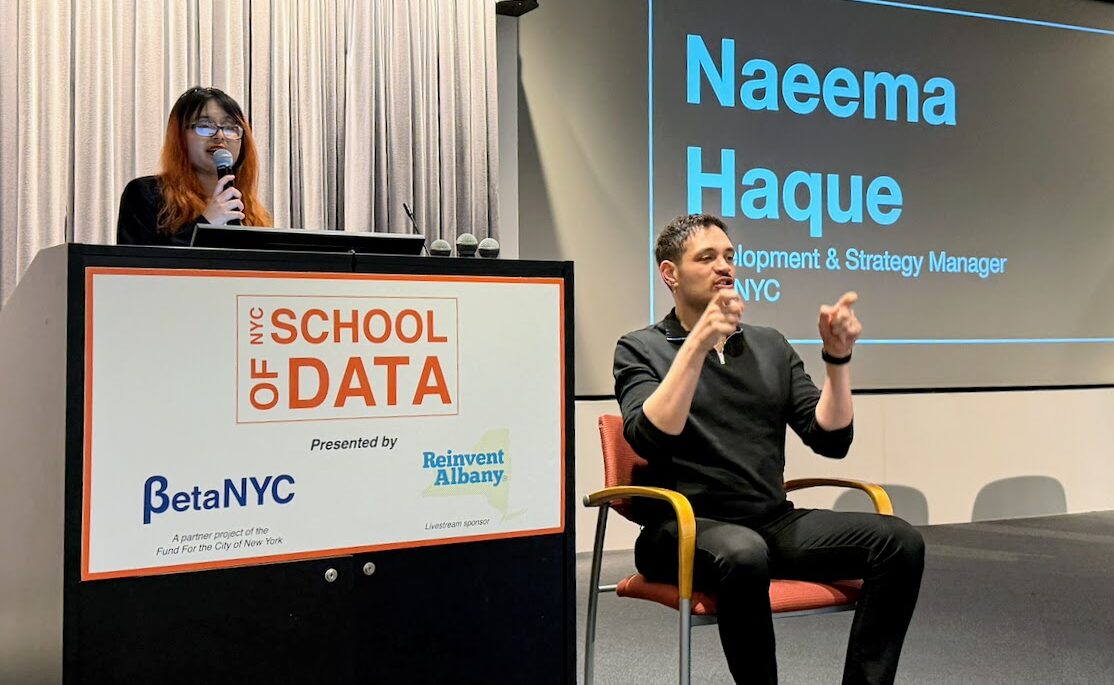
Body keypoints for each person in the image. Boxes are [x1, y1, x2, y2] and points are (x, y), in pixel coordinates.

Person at [613, 213, 924, 685]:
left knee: (899, 542)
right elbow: (649, 435)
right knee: (744, 552)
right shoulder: (640, 348)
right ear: (669, 273)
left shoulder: (769, 345)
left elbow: (831, 438)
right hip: (680, 527)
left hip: (768, 521)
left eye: (729, 257)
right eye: (707, 257)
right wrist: (697, 344)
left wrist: (837, 359)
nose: (725, 267)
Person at [116, 86, 271, 246]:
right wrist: (207, 223)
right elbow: (137, 265)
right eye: (205, 126)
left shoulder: (250, 210)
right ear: (179, 136)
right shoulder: (146, 195)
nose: (220, 136)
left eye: (231, 128)